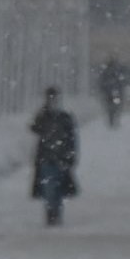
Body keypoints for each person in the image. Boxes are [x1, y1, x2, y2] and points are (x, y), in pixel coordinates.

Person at [29, 87, 79, 226]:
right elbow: (34, 128)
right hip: (46, 158)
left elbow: (72, 139)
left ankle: (55, 211)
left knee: (58, 188)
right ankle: (52, 212)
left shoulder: (65, 117)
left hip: (61, 158)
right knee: (49, 187)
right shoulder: (44, 116)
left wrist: (70, 156)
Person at [97, 55, 128, 129]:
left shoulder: (108, 71)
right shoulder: (117, 70)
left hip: (110, 93)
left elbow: (102, 82)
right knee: (115, 108)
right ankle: (114, 121)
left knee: (111, 109)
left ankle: (112, 121)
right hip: (114, 93)